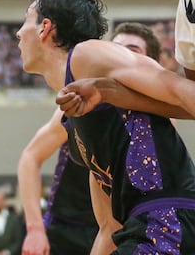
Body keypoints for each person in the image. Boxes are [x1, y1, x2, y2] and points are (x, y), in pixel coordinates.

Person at [20, 0, 195, 255]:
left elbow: (179, 91)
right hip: (143, 229)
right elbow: (109, 227)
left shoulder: (87, 55)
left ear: (44, 27)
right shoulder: (75, 121)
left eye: (26, 21)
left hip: (167, 222)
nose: (19, 33)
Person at [17, 21, 162, 255]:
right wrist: (34, 228)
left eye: (131, 51)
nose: (120, 57)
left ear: (149, 64)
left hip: (121, 230)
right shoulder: (80, 100)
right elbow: (30, 157)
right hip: (66, 229)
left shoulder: (158, 121)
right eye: (115, 50)